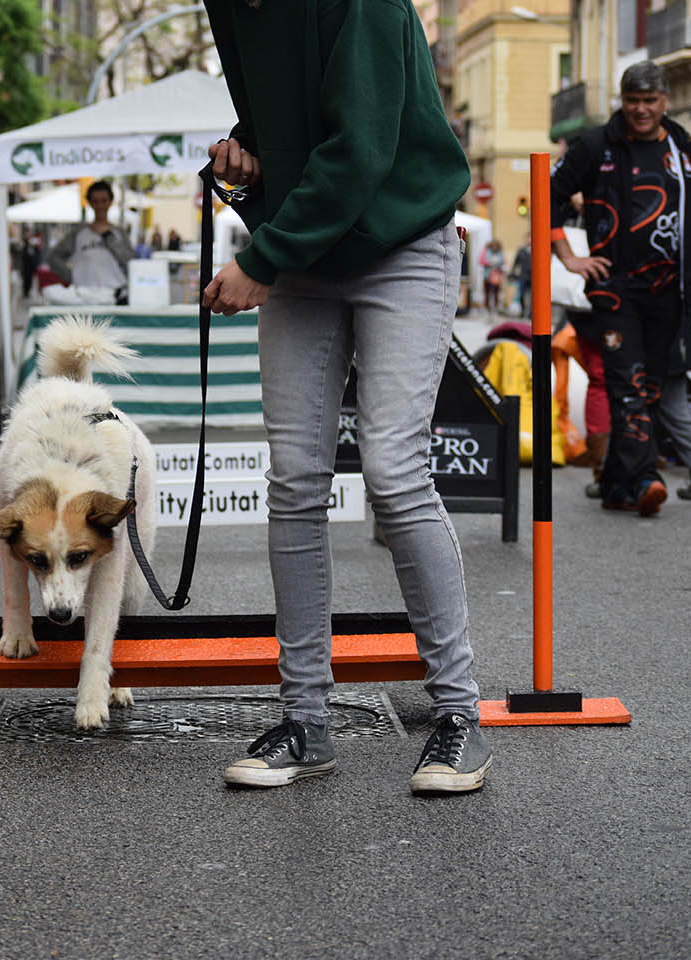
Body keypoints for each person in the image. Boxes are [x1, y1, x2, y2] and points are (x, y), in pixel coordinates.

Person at [201, 0, 491, 795]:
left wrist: (262, 258)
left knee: (394, 472)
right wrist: (250, 150)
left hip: (402, 239)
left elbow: (360, 148)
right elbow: (293, 114)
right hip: (307, 251)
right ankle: (305, 722)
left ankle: (459, 715)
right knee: (295, 480)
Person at [550, 60, 691, 515]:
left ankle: (615, 483)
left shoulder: (685, 147)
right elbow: (549, 192)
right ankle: (646, 477)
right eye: (633, 100)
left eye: (649, 100)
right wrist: (568, 257)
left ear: (665, 101)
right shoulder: (595, 145)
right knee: (628, 382)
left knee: (652, 387)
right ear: (622, 101)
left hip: (673, 292)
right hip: (614, 290)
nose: (641, 109)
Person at [45, 180, 133, 296]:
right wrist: (73, 277)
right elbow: (53, 257)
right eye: (95, 201)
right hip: (86, 295)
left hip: (116, 294)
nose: (100, 206)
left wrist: (111, 241)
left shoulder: (119, 233)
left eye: (104, 201)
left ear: (110, 201)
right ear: (90, 203)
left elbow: (130, 262)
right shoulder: (78, 233)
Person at [479, 238, 505, 311]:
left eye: (496, 246)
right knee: (487, 292)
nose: (494, 247)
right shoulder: (486, 251)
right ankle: (487, 307)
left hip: (496, 275)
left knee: (496, 292)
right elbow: (481, 261)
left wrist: (497, 264)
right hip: (487, 275)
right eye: (493, 245)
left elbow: (503, 261)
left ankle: (495, 307)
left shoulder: (500, 253)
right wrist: (489, 263)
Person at [510, 234, 533, 317]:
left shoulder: (537, 249)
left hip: (533, 276)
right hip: (523, 276)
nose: (529, 240)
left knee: (533, 296)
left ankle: (531, 312)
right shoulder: (522, 250)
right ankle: (523, 310)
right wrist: (513, 272)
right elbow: (516, 262)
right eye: (528, 238)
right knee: (522, 294)